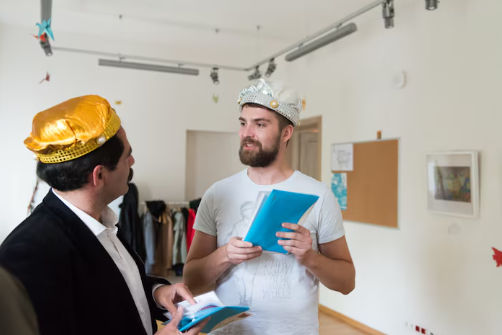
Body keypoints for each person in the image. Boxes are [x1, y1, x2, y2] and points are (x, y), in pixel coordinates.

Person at [0, 95, 202, 335]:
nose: (132, 161)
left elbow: (114, 289)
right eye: (127, 155)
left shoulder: (101, 221)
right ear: (99, 176)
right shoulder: (29, 254)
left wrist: (157, 292)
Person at [183, 79, 356, 335]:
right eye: (243, 123)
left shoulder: (319, 195)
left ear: (286, 133)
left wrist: (309, 257)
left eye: (260, 124)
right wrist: (225, 255)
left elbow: (346, 282)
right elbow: (191, 280)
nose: (246, 133)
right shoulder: (218, 194)